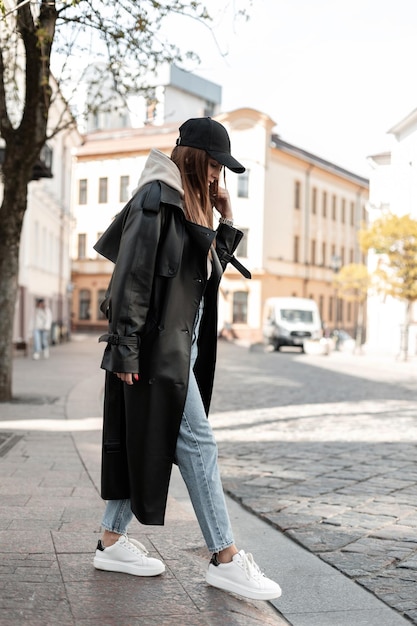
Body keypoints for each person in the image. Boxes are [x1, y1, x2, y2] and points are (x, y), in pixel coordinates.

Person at [93, 117, 282, 601]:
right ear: (198, 160)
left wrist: (227, 220)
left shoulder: (189, 206)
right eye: (217, 165)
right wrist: (126, 349)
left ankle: (111, 542)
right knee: (198, 444)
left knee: (146, 440)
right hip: (156, 350)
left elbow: (203, 275)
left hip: (181, 344)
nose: (220, 175)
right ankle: (226, 557)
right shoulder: (157, 200)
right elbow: (129, 280)